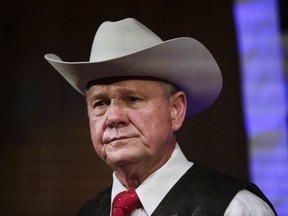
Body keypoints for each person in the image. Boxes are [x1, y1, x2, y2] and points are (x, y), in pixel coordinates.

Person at [45, 18, 277, 216]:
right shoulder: (88, 212)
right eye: (100, 103)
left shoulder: (235, 209)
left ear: (175, 110)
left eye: (133, 99)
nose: (113, 116)